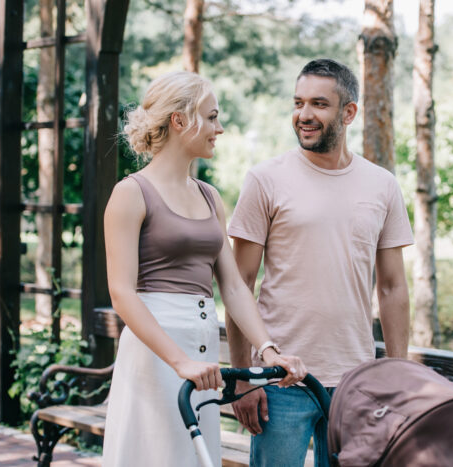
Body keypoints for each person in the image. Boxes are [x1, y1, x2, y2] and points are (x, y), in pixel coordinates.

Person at [102, 71, 306, 467]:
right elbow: (122, 293)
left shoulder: (209, 196)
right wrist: (180, 361)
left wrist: (267, 349)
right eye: (211, 117)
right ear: (179, 121)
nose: (220, 128)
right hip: (156, 352)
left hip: (203, 353)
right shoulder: (130, 193)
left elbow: (231, 286)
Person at [226, 58, 414, 467]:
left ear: (349, 113)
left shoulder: (382, 185)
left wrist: (397, 375)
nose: (304, 115)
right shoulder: (264, 179)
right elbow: (238, 283)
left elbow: (393, 287)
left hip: (355, 385)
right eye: (298, 103)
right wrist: (243, 376)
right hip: (279, 381)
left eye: (318, 104)